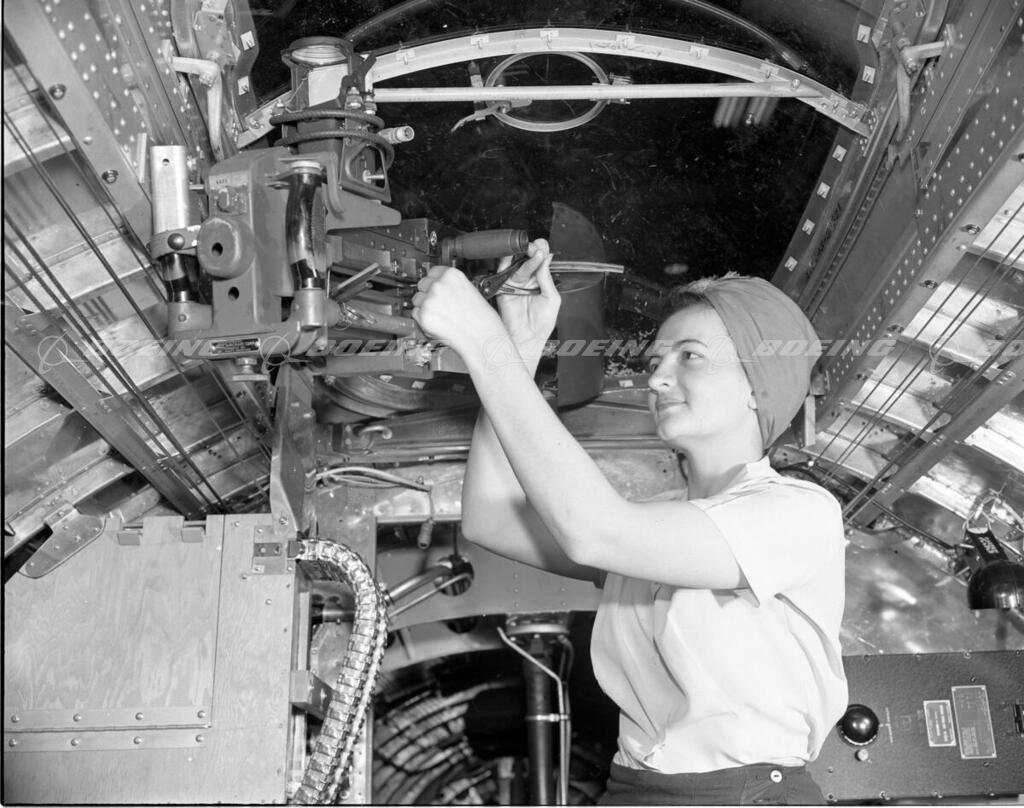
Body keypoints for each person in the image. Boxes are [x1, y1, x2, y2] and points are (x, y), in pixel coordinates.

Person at [411, 238, 848, 805]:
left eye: (690, 356)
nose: (658, 379)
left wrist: (484, 344)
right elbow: (490, 518)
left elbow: (595, 532)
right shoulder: (656, 524)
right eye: (655, 361)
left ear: (756, 385)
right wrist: (517, 349)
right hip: (638, 789)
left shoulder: (797, 513)